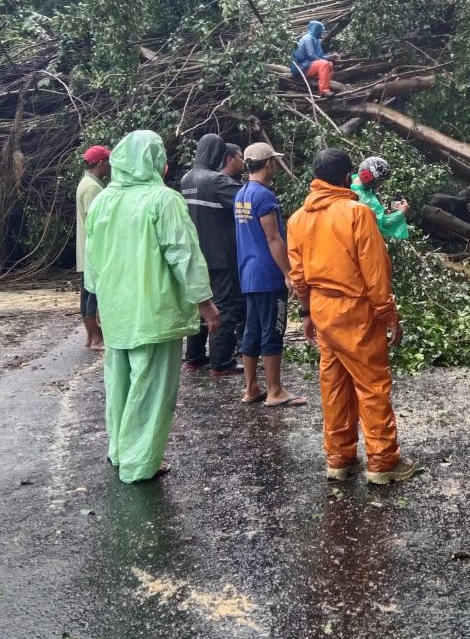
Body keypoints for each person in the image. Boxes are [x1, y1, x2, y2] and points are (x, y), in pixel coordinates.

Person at [84, 130, 220, 483]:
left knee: (120, 382)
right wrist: (204, 301)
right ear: (154, 161)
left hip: (116, 308)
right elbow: (183, 254)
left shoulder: (103, 200)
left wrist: (96, 299)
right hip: (154, 309)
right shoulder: (163, 200)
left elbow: (93, 256)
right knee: (152, 387)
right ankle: (140, 462)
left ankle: (120, 450)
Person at [288, 148, 415, 485]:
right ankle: (383, 462)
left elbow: (298, 277)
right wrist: (390, 316)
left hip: (322, 311)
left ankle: (340, 459)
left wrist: (306, 314)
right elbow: (375, 273)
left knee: (334, 387)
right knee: (372, 387)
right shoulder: (358, 214)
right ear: (347, 177)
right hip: (357, 313)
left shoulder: (298, 219)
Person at [234, 141, 305, 407]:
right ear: (268, 164)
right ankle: (275, 391)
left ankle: (251, 387)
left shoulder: (242, 193)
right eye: (274, 161)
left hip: (249, 273)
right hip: (268, 273)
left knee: (252, 330)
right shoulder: (264, 196)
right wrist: (288, 273)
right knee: (273, 330)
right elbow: (274, 239)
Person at [180, 135, 246, 375]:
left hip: (196, 256)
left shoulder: (186, 178)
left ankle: (195, 357)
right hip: (220, 255)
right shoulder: (217, 180)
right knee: (224, 308)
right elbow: (245, 201)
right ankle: (222, 361)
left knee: (200, 305)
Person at [76, 144, 111, 350]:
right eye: (107, 162)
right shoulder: (92, 188)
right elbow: (93, 221)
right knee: (92, 294)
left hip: (86, 250)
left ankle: (91, 337)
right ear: (100, 163)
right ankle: (96, 338)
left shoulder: (87, 182)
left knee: (87, 293)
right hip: (92, 251)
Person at [350, 156, 410, 241]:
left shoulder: (352, 179)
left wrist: (391, 206)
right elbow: (382, 225)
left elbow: (375, 211)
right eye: (381, 181)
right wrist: (401, 213)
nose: (381, 184)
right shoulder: (365, 199)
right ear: (370, 178)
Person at [291, 20, 335, 97]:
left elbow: (318, 57)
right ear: (316, 30)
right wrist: (325, 60)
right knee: (324, 64)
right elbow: (311, 55)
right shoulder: (308, 38)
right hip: (302, 67)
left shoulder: (314, 39)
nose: (322, 33)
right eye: (321, 31)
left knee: (329, 64)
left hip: (308, 65)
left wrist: (330, 57)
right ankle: (324, 91)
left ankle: (322, 84)